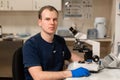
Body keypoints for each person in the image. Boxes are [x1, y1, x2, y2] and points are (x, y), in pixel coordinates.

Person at [23, 5, 90, 80]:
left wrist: (89, 64)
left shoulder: (59, 40)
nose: (52, 23)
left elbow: (70, 56)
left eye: (55, 19)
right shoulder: (30, 45)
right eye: (47, 19)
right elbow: (38, 76)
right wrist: (71, 73)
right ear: (40, 22)